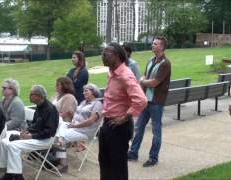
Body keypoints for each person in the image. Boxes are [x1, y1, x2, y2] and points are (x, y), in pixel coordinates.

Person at [99, 42, 147, 180]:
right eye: (102, 53)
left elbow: (141, 100)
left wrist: (125, 117)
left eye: (106, 54)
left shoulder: (125, 75)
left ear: (118, 56)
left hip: (119, 127)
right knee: (105, 164)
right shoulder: (111, 73)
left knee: (117, 169)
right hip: (108, 124)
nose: (103, 56)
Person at [0, 85, 59, 180]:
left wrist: (31, 136)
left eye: (31, 94)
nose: (29, 96)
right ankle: (10, 173)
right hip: (35, 136)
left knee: (13, 146)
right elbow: (35, 125)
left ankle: (17, 176)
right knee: (4, 138)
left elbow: (49, 133)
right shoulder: (39, 106)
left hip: (45, 140)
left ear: (39, 96)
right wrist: (26, 132)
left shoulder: (50, 109)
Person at [128, 36, 171, 167]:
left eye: (155, 43)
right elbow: (146, 78)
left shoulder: (165, 63)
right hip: (146, 101)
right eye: (153, 43)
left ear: (162, 47)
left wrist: (142, 81)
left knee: (156, 131)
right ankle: (133, 153)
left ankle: (153, 157)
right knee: (138, 127)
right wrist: (142, 86)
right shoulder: (151, 60)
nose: (152, 45)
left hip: (156, 103)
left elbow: (154, 83)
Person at [54, 83, 103, 173]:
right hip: (74, 127)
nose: (83, 92)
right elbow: (77, 114)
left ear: (93, 92)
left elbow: (91, 121)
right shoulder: (83, 102)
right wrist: (73, 122)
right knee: (58, 129)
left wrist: (75, 125)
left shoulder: (98, 104)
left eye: (86, 90)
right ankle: (58, 155)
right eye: (83, 91)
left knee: (60, 138)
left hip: (85, 131)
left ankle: (62, 163)